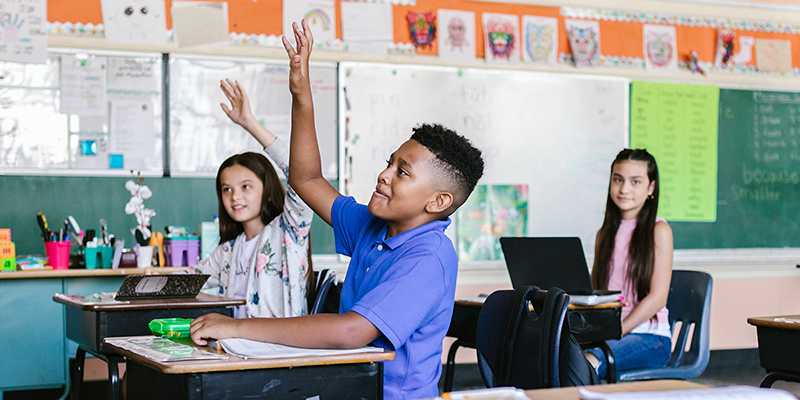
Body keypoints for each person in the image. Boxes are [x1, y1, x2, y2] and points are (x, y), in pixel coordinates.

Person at [189, 20, 485, 400]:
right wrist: (302, 96)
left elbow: (351, 331)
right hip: (343, 386)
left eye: (402, 172)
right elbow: (307, 180)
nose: (383, 175)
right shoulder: (372, 226)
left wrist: (237, 328)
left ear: (438, 201)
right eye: (388, 162)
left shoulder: (429, 258)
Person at [192, 78, 314, 318]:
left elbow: (300, 171)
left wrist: (249, 123)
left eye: (246, 186)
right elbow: (190, 281)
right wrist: (147, 283)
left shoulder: (288, 232)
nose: (235, 196)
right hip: (235, 348)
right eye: (226, 189)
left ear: (267, 191)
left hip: (279, 350)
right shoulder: (228, 251)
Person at [584, 149, 674, 380]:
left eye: (636, 181)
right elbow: (595, 292)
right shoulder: (603, 234)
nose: (624, 189)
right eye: (618, 179)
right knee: (551, 355)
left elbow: (657, 298)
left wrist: (617, 332)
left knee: (587, 362)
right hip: (608, 334)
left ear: (651, 188)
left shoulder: (659, 230)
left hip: (650, 338)